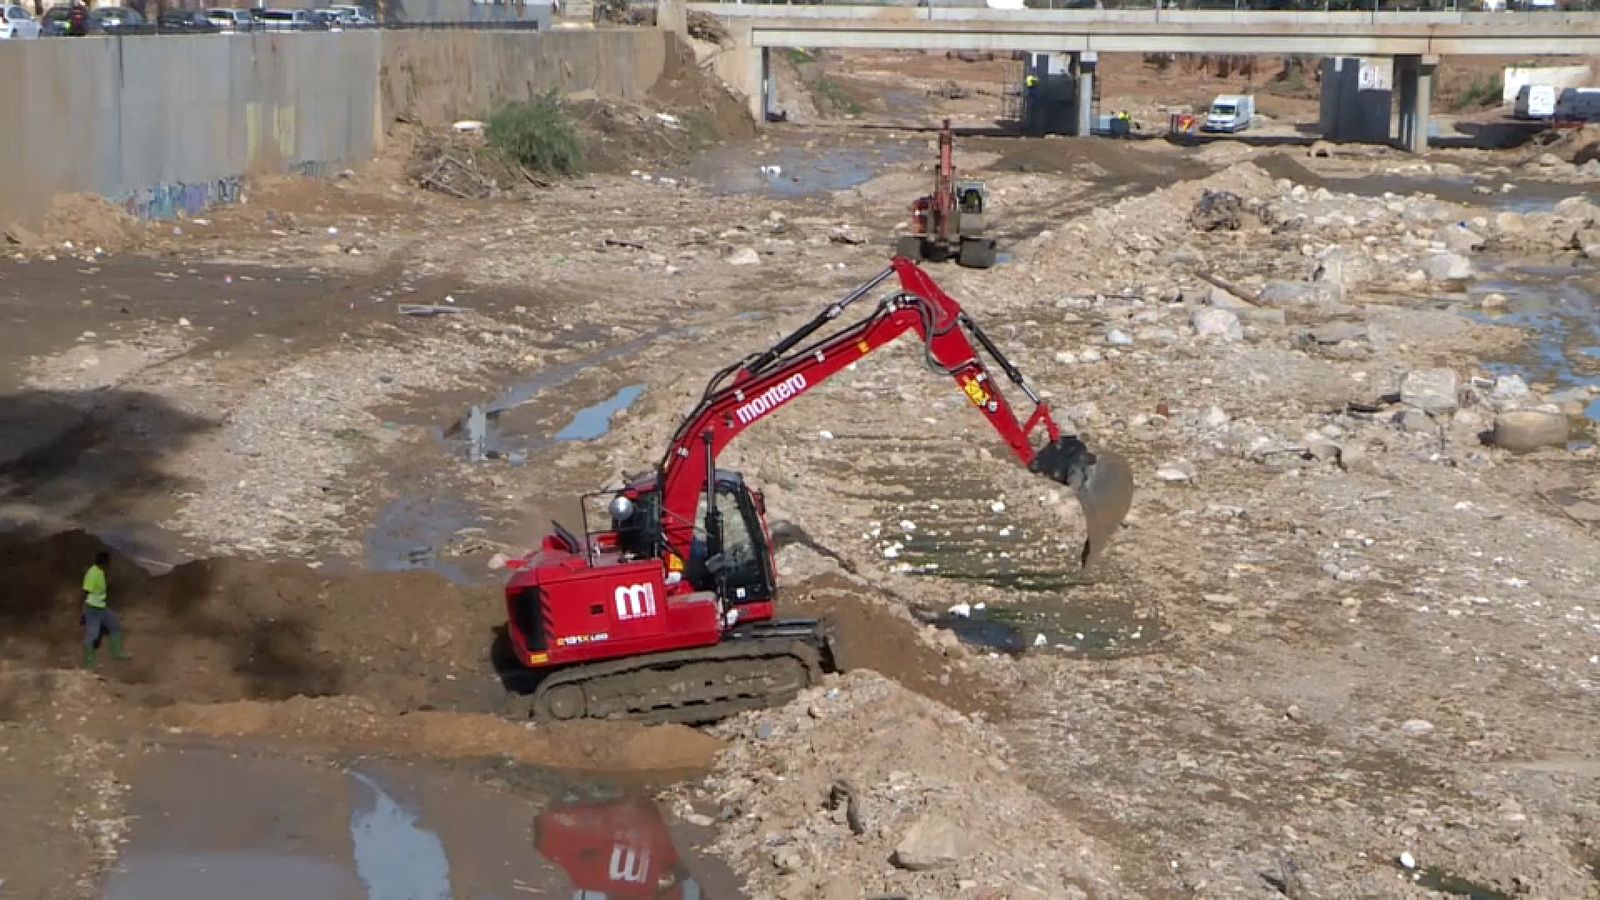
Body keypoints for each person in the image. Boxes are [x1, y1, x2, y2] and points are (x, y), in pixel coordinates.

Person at [81, 552, 130, 669]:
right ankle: (89, 662)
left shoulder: (100, 572)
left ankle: (117, 652)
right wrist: (84, 609)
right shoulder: (93, 573)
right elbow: (86, 591)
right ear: (105, 562)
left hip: (101, 607)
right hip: (93, 609)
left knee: (115, 626)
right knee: (92, 634)